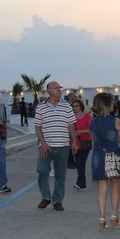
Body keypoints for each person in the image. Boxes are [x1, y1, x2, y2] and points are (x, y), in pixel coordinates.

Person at [34, 81, 78, 211]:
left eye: (60, 88)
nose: (59, 90)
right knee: (42, 170)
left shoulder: (66, 106)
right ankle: (45, 197)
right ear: (48, 91)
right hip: (45, 146)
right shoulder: (41, 107)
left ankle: (57, 200)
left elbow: (71, 125)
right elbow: (37, 128)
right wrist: (43, 143)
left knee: (60, 174)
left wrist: (74, 141)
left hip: (63, 146)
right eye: (56, 88)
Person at [90, 92, 120, 230]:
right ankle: (114, 218)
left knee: (101, 189)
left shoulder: (92, 122)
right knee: (115, 187)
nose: (113, 104)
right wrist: (113, 139)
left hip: (98, 156)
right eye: (111, 102)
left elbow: (94, 138)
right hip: (113, 155)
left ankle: (101, 220)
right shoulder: (115, 120)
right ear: (107, 104)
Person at [72, 99, 92, 191]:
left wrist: (81, 132)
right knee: (78, 164)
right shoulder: (71, 117)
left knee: (81, 163)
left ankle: (80, 183)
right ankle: (82, 183)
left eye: (76, 106)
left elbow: (91, 129)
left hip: (84, 143)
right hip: (74, 144)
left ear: (81, 106)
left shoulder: (87, 116)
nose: (74, 108)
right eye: (73, 106)